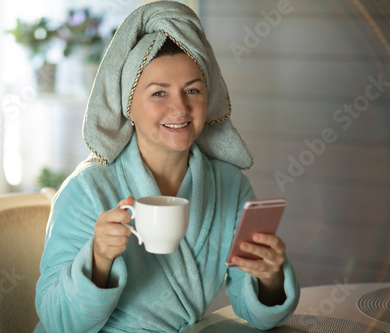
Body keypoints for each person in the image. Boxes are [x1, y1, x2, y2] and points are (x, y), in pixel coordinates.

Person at [34, 2, 300, 332]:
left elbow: (258, 314)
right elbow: (56, 319)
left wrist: (270, 278)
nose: (180, 107)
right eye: (159, 93)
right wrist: (99, 260)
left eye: (192, 90)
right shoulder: (89, 189)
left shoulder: (229, 187)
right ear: (128, 104)